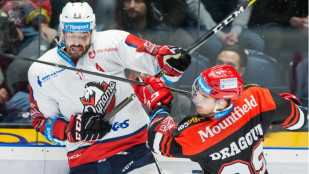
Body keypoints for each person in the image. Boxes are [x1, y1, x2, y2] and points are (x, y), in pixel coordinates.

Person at [28, 2, 191, 174]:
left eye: (84, 35)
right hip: (85, 157)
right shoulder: (40, 71)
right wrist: (73, 129)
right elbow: (41, 121)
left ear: (93, 31)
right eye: (71, 35)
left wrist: (170, 60)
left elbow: (154, 57)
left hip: (133, 146)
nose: (77, 42)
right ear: (62, 32)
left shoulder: (113, 42)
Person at [133, 64, 307, 173]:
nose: (197, 100)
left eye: (205, 97)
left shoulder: (196, 134)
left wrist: (160, 107)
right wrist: (280, 108)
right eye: (198, 91)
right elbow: (300, 118)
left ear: (222, 102)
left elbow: (158, 141)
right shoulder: (257, 97)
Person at [185, 0, 264, 64]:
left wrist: (236, 31)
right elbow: (194, 5)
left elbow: (245, 3)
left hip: (232, 27)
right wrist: (219, 34)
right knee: (218, 49)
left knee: (256, 43)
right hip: (201, 27)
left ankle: (244, 79)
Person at [116, 0, 193, 48]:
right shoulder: (118, 32)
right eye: (128, 1)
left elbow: (188, 44)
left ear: (147, 6)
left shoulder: (167, 33)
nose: (131, 6)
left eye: (138, 1)